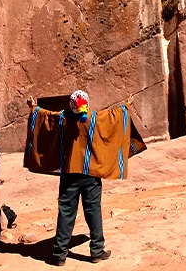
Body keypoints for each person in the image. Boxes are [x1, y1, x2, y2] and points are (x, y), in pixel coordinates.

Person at [27, 91, 134, 266]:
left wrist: (33, 108)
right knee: (93, 212)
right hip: (90, 174)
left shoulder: (62, 119)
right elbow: (114, 117)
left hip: (69, 174)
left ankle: (60, 255)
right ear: (87, 104)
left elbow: (45, 117)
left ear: (71, 105)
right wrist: (127, 106)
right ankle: (97, 252)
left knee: (66, 212)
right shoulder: (94, 118)